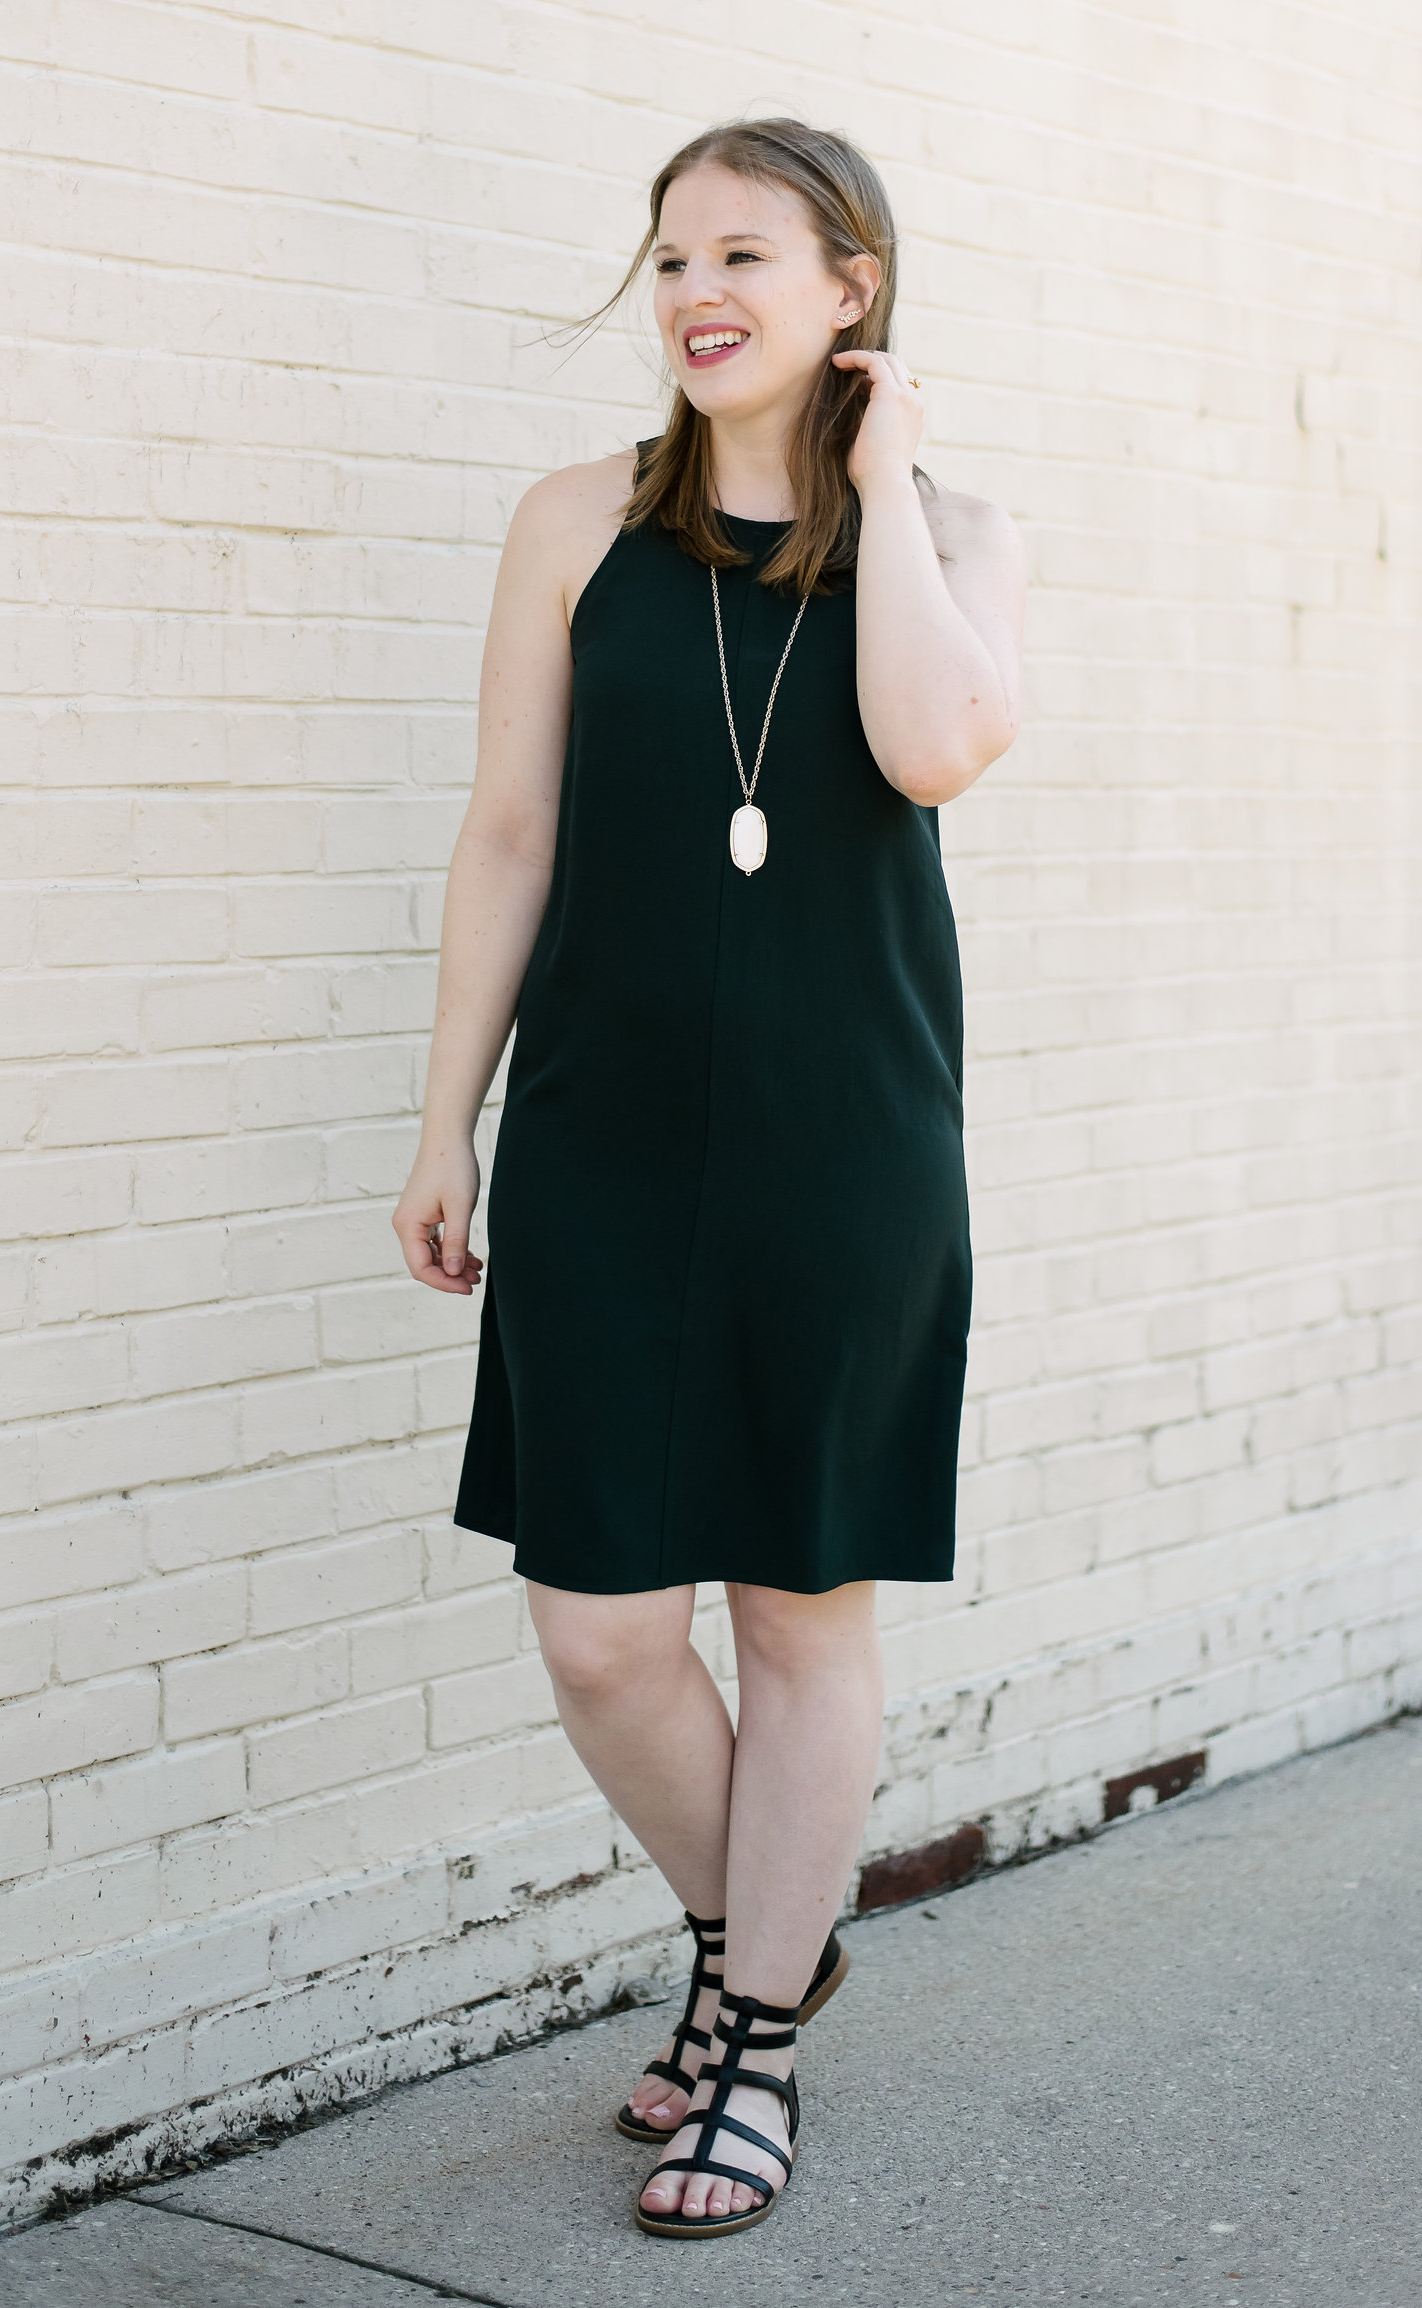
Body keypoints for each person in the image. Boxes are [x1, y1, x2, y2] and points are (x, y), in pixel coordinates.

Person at [392, 119, 1025, 2239]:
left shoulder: (948, 534)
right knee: (596, 1629)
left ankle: (745, 2042)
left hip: (842, 1142)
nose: (690, 289)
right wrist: (443, 1115)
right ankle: (776, 1938)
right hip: (598, 1127)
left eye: (739, 250)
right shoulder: (572, 522)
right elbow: (507, 835)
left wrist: (878, 492)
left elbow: (936, 747)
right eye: (667, 255)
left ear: (850, 287)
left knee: (796, 1601)